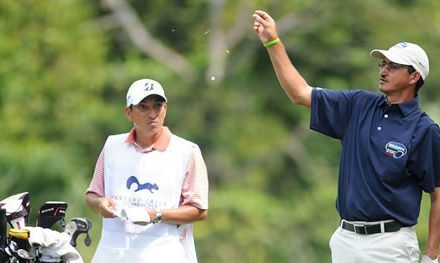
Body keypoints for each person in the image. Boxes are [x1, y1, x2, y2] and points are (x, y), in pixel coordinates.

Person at [253, 10, 440, 263]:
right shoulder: (358, 105)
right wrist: (273, 42)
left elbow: (438, 195)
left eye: (393, 66)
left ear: (414, 76)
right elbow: (299, 93)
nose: (384, 70)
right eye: (383, 64)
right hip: (345, 240)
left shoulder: (424, 130)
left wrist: (430, 256)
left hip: (390, 244)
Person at [85, 78, 209, 263]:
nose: (152, 114)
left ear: (165, 109)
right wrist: (100, 203)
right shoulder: (112, 146)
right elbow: (92, 195)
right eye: (143, 107)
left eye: (158, 106)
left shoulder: (186, 151)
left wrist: (155, 215)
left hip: (163, 255)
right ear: (129, 112)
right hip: (111, 255)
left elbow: (199, 210)